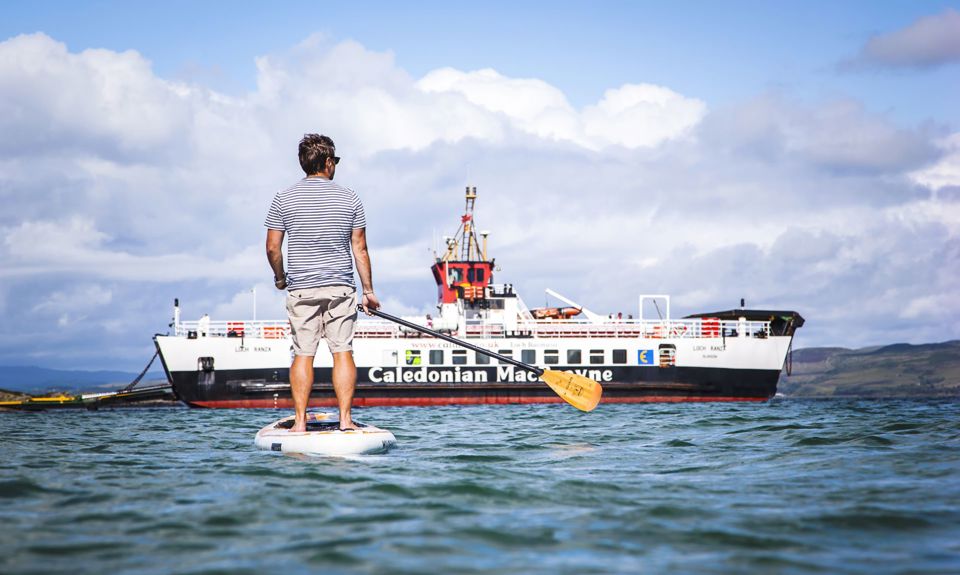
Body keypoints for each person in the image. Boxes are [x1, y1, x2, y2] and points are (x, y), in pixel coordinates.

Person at [264, 134, 380, 433]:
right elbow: (360, 248)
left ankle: (300, 423)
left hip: (301, 287)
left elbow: (273, 248)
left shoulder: (283, 198)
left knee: (303, 353)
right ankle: (345, 421)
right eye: (336, 161)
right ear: (328, 162)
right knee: (342, 351)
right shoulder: (350, 197)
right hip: (340, 287)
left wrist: (280, 278)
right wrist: (368, 292)